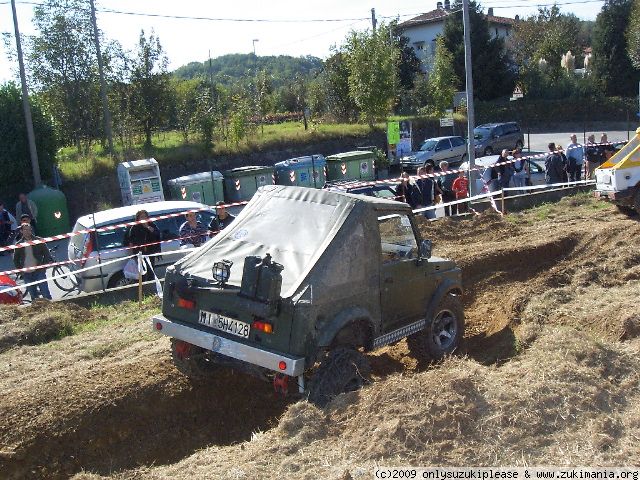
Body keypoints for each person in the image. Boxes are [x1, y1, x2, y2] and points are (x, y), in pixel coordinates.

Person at [13, 223, 52, 300]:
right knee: (34, 297)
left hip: (39, 271)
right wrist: (21, 271)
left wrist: (43, 267)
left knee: (46, 294)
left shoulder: (38, 240)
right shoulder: (19, 244)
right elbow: (16, 259)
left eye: (29, 230)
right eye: (25, 230)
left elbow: (47, 254)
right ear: (21, 231)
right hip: (27, 274)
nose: (28, 232)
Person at [123, 209, 160, 281]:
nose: (144, 219)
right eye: (142, 217)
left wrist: (148, 227)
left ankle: (151, 289)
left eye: (145, 217)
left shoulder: (151, 225)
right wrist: (132, 255)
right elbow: (130, 241)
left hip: (150, 253)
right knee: (142, 274)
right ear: (138, 218)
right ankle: (143, 290)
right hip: (139, 254)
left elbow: (157, 234)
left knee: (151, 272)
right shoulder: (134, 228)